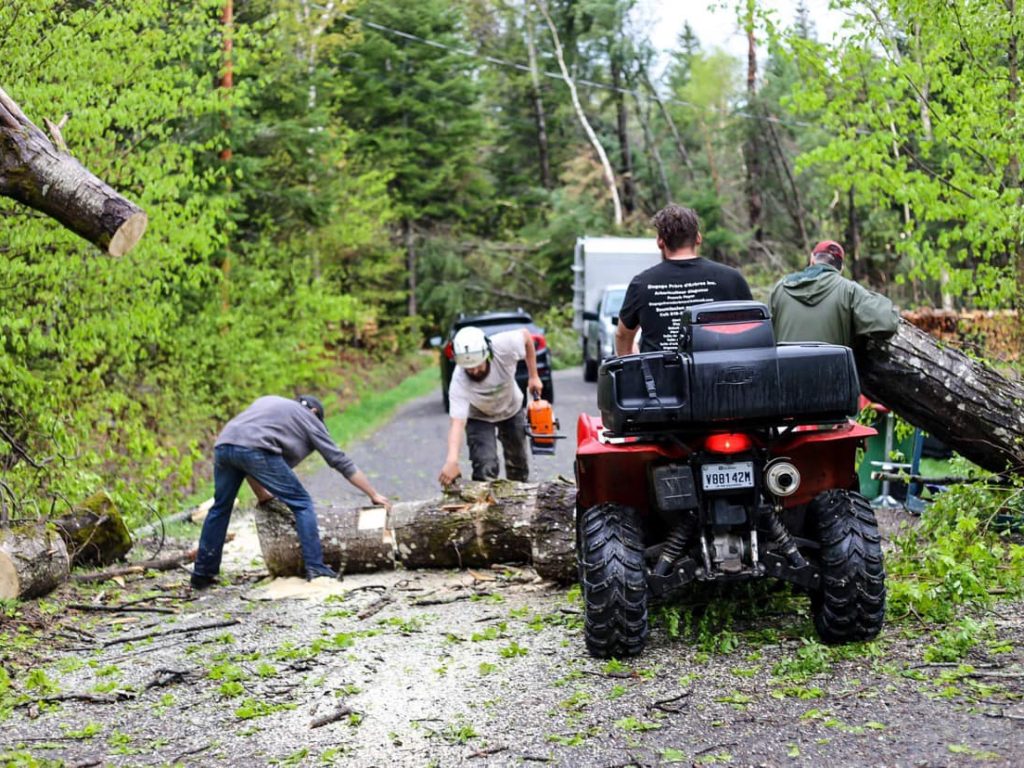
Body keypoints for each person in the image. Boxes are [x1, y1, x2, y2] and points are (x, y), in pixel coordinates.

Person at [191, 394, 390, 589]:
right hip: (255, 449)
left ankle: (202, 574)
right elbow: (340, 461)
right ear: (314, 411)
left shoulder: (270, 403)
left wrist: (262, 495)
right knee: (302, 503)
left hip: (224, 444)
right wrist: (373, 494)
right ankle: (316, 567)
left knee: (220, 508)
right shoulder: (309, 417)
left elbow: (247, 457)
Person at [616, 204, 752, 355]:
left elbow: (623, 336)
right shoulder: (732, 279)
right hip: (718, 376)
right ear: (698, 238)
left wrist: (633, 370)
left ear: (660, 242)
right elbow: (752, 332)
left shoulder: (641, 284)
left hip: (660, 378)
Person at [438, 327, 543, 487]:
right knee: (485, 465)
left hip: (511, 408)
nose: (473, 370)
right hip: (479, 416)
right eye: (468, 368)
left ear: (488, 354)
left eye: (477, 365)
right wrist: (452, 461)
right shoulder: (459, 382)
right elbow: (457, 424)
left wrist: (534, 376)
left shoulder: (505, 346)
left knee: (518, 463)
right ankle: (486, 505)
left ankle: (520, 502)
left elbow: (527, 337)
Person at [769, 239, 899, 347]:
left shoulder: (781, 288)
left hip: (785, 376)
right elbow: (887, 322)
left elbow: (764, 336)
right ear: (841, 269)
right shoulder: (849, 290)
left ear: (812, 259)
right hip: (832, 376)